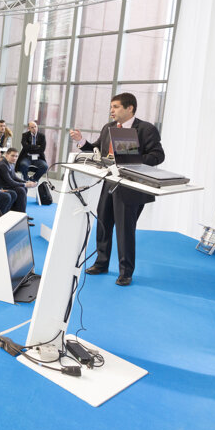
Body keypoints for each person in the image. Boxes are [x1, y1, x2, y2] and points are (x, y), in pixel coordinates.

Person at [71, 92, 165, 286]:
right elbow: (96, 150)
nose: (111, 110)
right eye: (111, 107)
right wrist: (81, 141)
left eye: (115, 107)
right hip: (109, 183)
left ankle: (126, 272)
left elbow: (157, 156)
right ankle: (101, 263)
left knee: (125, 231)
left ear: (129, 108)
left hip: (132, 188)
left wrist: (130, 159)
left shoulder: (146, 129)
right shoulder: (109, 128)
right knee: (103, 224)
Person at [0, 148, 36, 217]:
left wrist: (26, 181)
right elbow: (10, 181)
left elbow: (15, 177)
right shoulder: (2, 165)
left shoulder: (11, 164)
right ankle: (20, 215)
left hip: (8, 185)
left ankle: (19, 213)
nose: (14, 158)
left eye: (16, 156)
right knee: (21, 190)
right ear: (6, 155)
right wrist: (25, 184)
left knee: (24, 189)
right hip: (3, 187)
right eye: (12, 156)